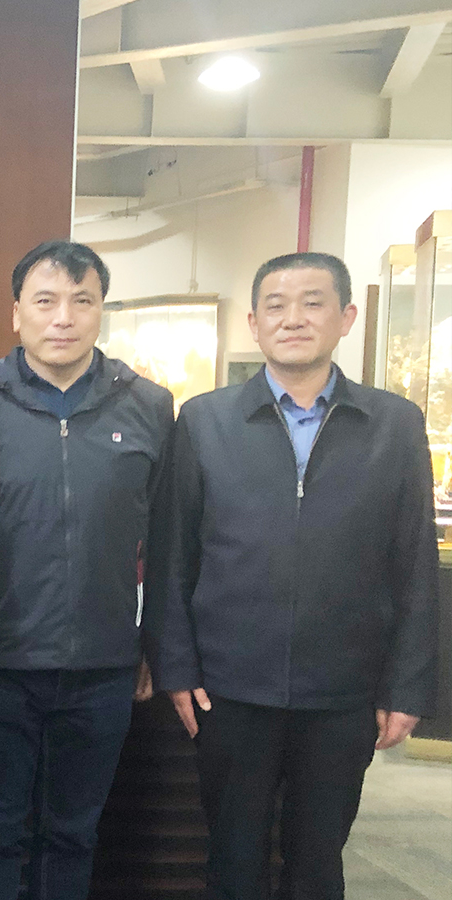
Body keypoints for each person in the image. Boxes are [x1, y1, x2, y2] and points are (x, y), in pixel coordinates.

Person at [146, 251, 439, 900]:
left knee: (318, 862)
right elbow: (173, 555)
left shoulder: (393, 424)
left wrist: (409, 684)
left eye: (313, 303)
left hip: (343, 690)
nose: (293, 319)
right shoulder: (206, 420)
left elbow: (415, 564)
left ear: (346, 317)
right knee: (233, 858)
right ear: (254, 323)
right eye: (275, 306)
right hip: (230, 689)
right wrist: (176, 668)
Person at [0, 241, 175, 900]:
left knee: (74, 831)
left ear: (102, 311)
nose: (63, 318)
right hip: (0, 663)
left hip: (104, 665)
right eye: (45, 301)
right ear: (16, 312)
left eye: (82, 301)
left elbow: (166, 540)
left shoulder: (149, 406)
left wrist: (154, 644)